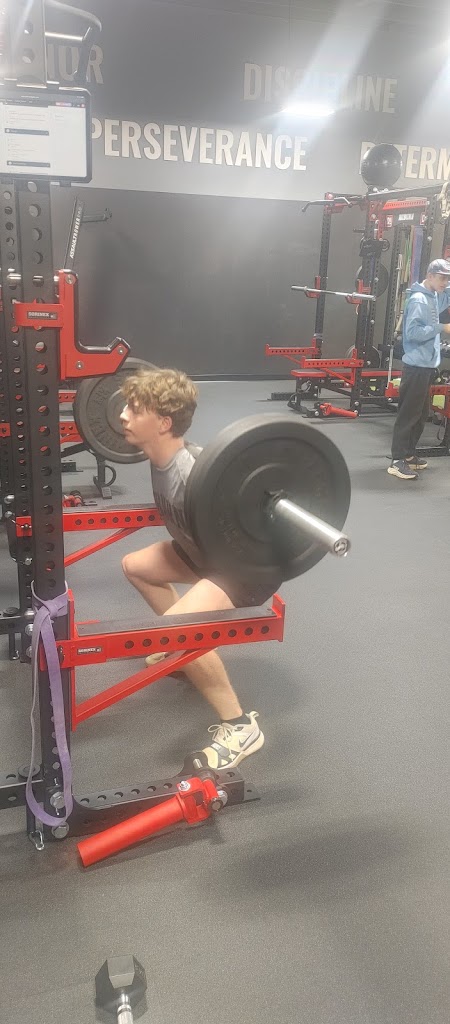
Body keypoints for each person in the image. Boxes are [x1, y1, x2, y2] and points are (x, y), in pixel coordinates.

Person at [119, 367, 281, 770]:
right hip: (202, 553)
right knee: (135, 566)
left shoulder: (192, 472)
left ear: (163, 423)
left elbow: (251, 526)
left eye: (134, 409)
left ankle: (240, 726)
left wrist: (193, 619)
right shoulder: (159, 456)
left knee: (179, 629)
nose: (123, 415)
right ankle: (186, 652)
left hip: (242, 570)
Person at [388, 258, 450, 480]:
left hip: (426, 367)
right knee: (408, 414)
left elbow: (447, 295)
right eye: (442, 278)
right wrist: (441, 327)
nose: (445, 283)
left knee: (421, 414)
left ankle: (408, 454)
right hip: (415, 367)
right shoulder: (419, 300)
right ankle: (397, 460)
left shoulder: (433, 295)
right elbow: (413, 333)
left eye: (447, 279)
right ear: (430, 276)